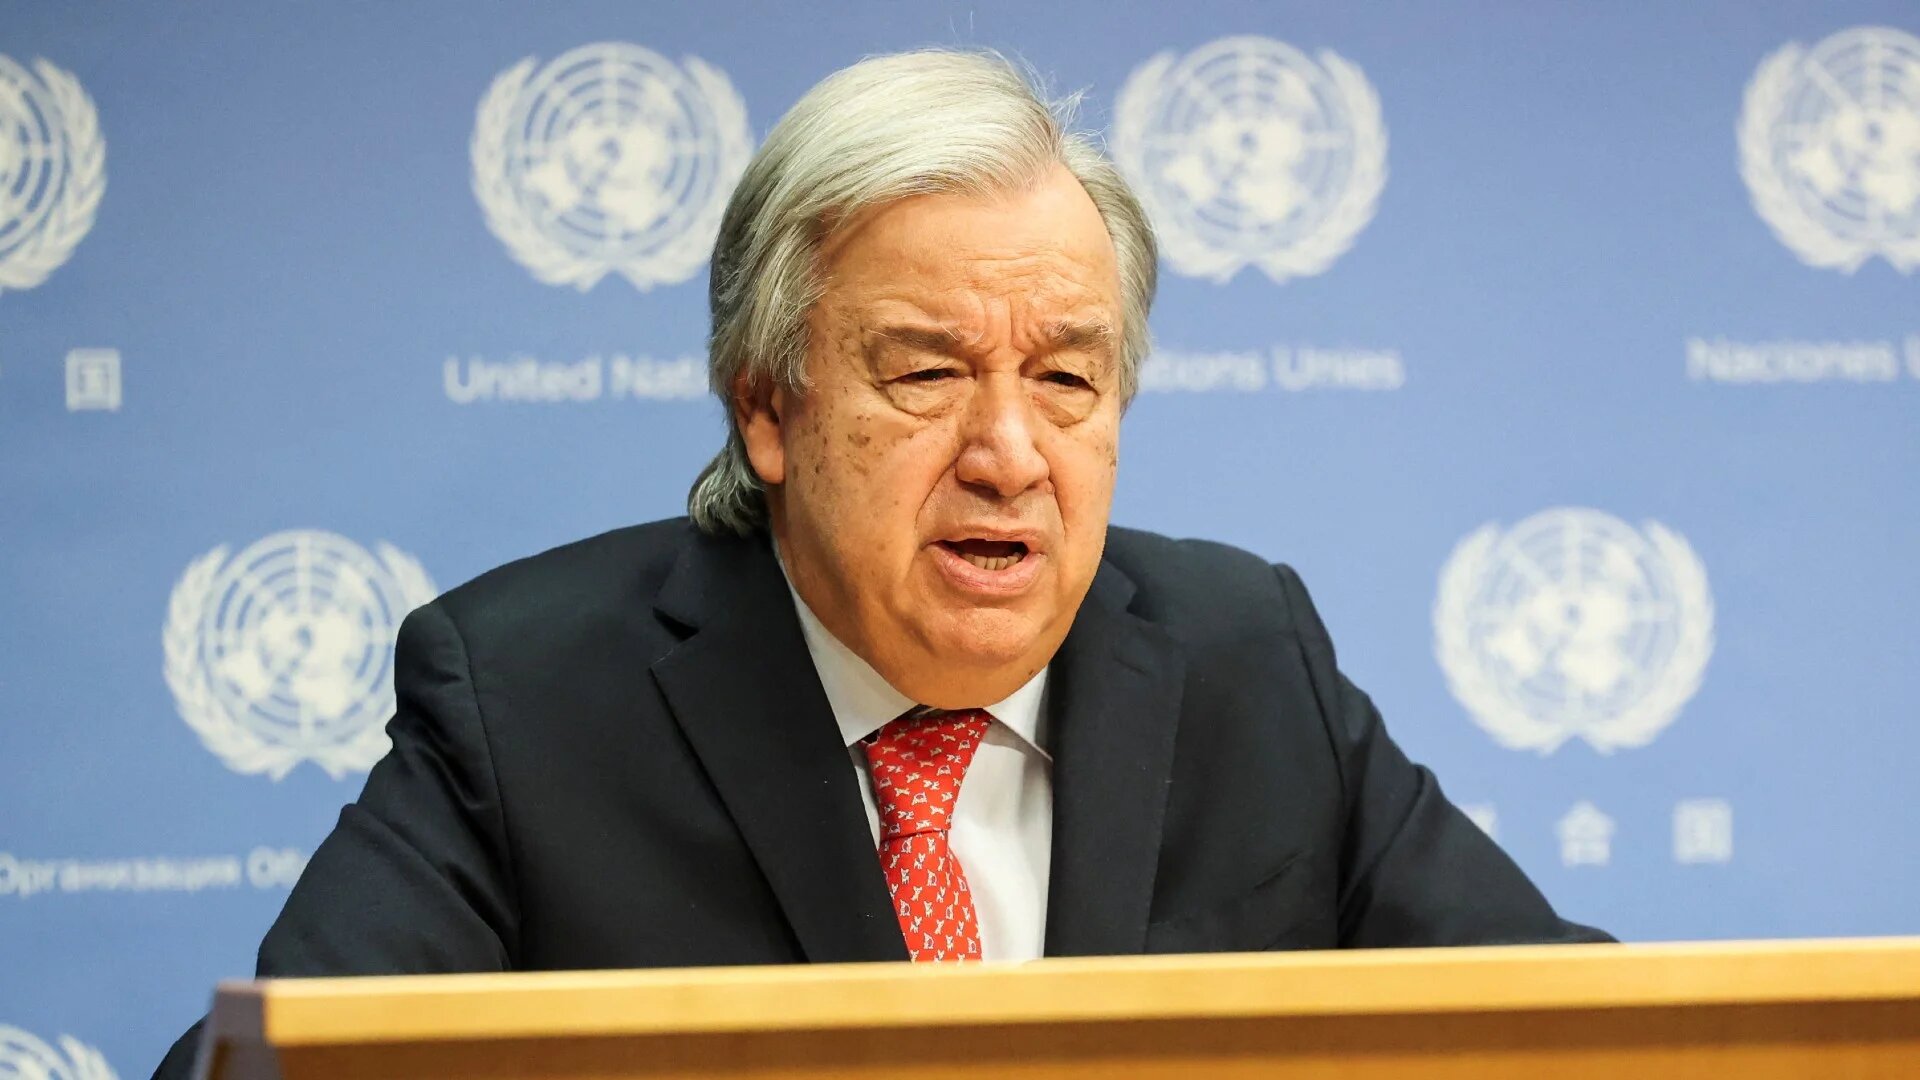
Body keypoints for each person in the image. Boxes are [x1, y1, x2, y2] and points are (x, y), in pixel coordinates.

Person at [153, 47, 1606, 1079]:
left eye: (1067, 382)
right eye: (925, 375)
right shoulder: (529, 703)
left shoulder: (1247, 657)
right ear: (768, 409)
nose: (1009, 454)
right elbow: (285, 1066)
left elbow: (1580, 1036)